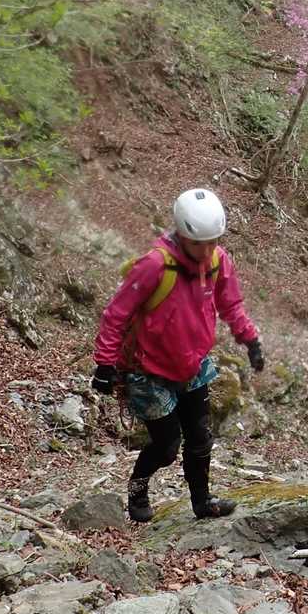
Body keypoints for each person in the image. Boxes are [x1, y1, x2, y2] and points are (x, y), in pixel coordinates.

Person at [91, 188, 265, 522]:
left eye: (213, 242)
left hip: (193, 364)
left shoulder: (218, 261)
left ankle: (202, 501)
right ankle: (137, 487)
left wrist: (250, 339)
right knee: (167, 446)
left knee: (200, 438)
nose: (207, 251)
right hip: (148, 370)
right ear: (183, 235)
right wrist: (105, 363)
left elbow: (230, 304)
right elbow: (116, 314)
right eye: (199, 243)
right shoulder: (155, 265)